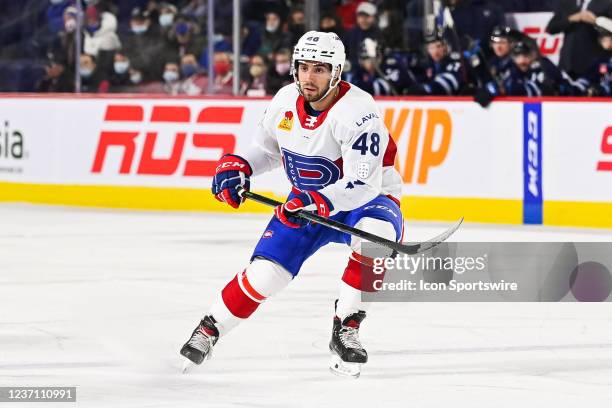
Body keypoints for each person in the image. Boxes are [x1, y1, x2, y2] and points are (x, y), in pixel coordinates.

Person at [180, 31, 403, 379]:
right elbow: (267, 150)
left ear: (336, 72)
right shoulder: (285, 100)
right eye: (303, 67)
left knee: (375, 239)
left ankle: (346, 326)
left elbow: (362, 182)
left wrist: (321, 201)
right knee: (266, 274)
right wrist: (239, 165)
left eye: (319, 69)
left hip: (366, 200)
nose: (308, 77)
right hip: (308, 200)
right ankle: (210, 328)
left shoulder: (359, 112)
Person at [546, 0, 612, 77]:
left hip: (593, 65)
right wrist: (573, 18)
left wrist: (597, 22)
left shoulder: (606, 4)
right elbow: (551, 28)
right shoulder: (568, 3)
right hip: (567, 64)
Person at [406, 30, 465, 96]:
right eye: (431, 48)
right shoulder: (427, 65)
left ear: (445, 47)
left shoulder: (455, 62)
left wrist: (427, 88)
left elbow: (447, 83)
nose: (435, 52)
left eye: (438, 46)